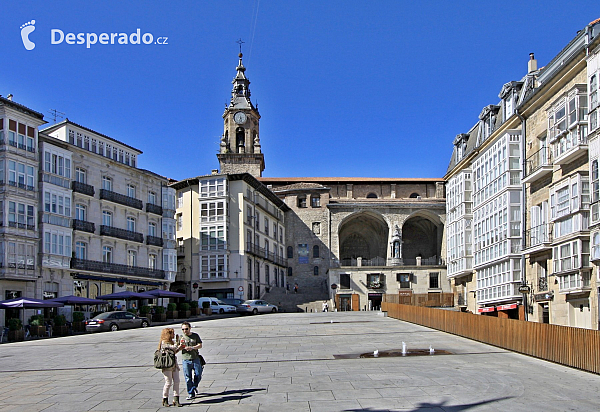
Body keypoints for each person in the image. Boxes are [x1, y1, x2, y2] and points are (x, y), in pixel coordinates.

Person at [159, 328, 184, 407]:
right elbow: (172, 348)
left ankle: (176, 399)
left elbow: (174, 351)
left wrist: (180, 347)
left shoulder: (171, 342)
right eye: (172, 333)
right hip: (167, 365)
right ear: (168, 334)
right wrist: (178, 342)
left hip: (174, 364)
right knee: (168, 382)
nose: (174, 335)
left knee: (177, 381)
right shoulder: (164, 343)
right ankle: (165, 399)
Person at [180, 321, 203, 400]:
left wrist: (192, 347)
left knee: (198, 374)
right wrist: (181, 347)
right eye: (183, 329)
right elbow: (177, 347)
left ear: (190, 328)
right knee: (188, 377)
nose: (184, 331)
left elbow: (200, 345)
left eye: (186, 329)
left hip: (195, 358)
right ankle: (191, 393)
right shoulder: (181, 337)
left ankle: (194, 386)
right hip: (185, 359)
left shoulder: (195, 336)